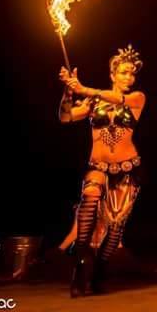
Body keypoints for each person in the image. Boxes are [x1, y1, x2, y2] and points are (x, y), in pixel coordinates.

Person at [58, 44, 146, 297]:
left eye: (132, 73)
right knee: (86, 215)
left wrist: (84, 88)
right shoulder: (93, 101)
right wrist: (68, 91)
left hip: (127, 169)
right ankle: (78, 272)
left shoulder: (137, 98)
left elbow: (118, 98)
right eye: (124, 72)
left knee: (116, 225)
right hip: (97, 167)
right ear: (112, 74)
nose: (129, 77)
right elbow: (65, 118)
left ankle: (99, 274)